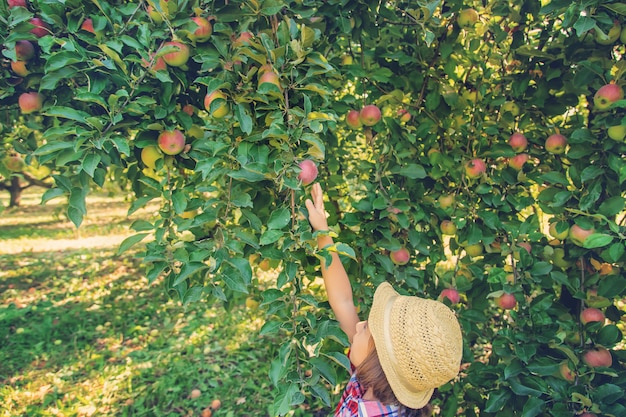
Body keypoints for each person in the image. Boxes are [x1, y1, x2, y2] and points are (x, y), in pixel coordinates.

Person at [304, 183, 463, 417]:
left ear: (380, 361)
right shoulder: (370, 380)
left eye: (368, 327)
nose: (358, 324)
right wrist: (322, 233)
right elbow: (343, 300)